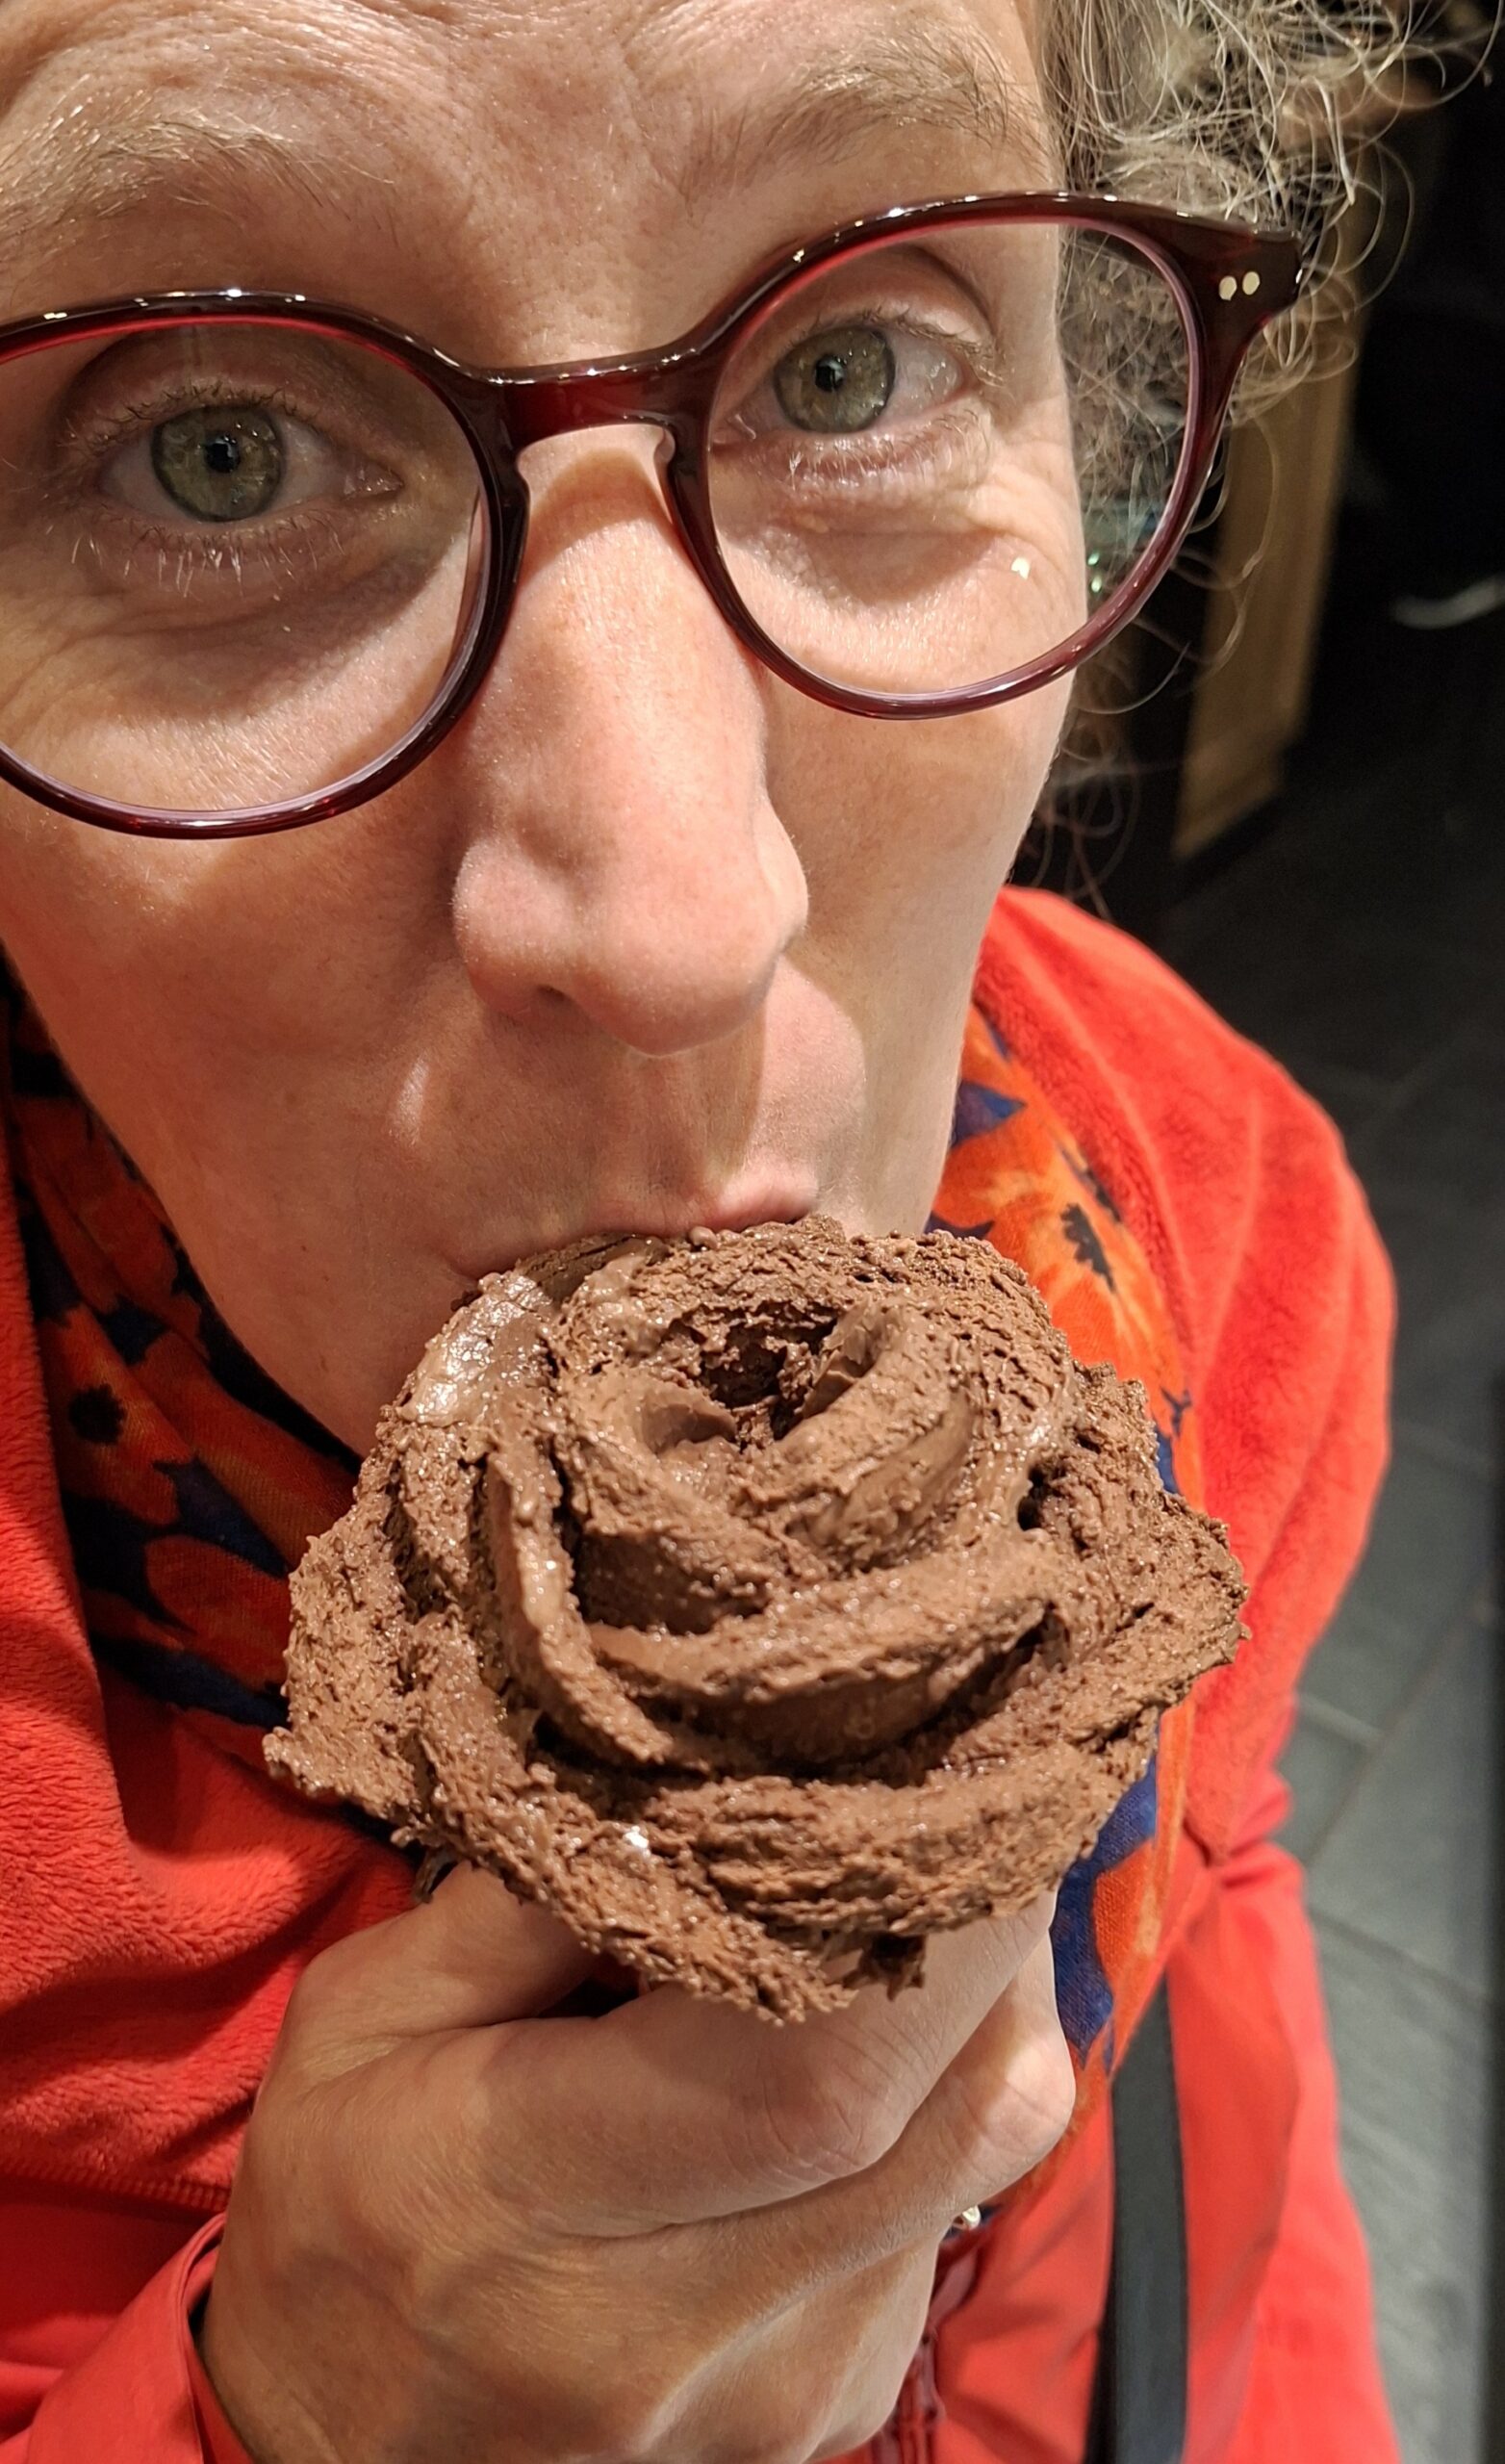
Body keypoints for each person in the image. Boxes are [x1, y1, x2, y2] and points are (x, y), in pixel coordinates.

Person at [0, 3, 1410, 2460]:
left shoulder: (1225, 1224)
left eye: (855, 367)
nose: (675, 917)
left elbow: (1223, 2169)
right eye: (216, 454)